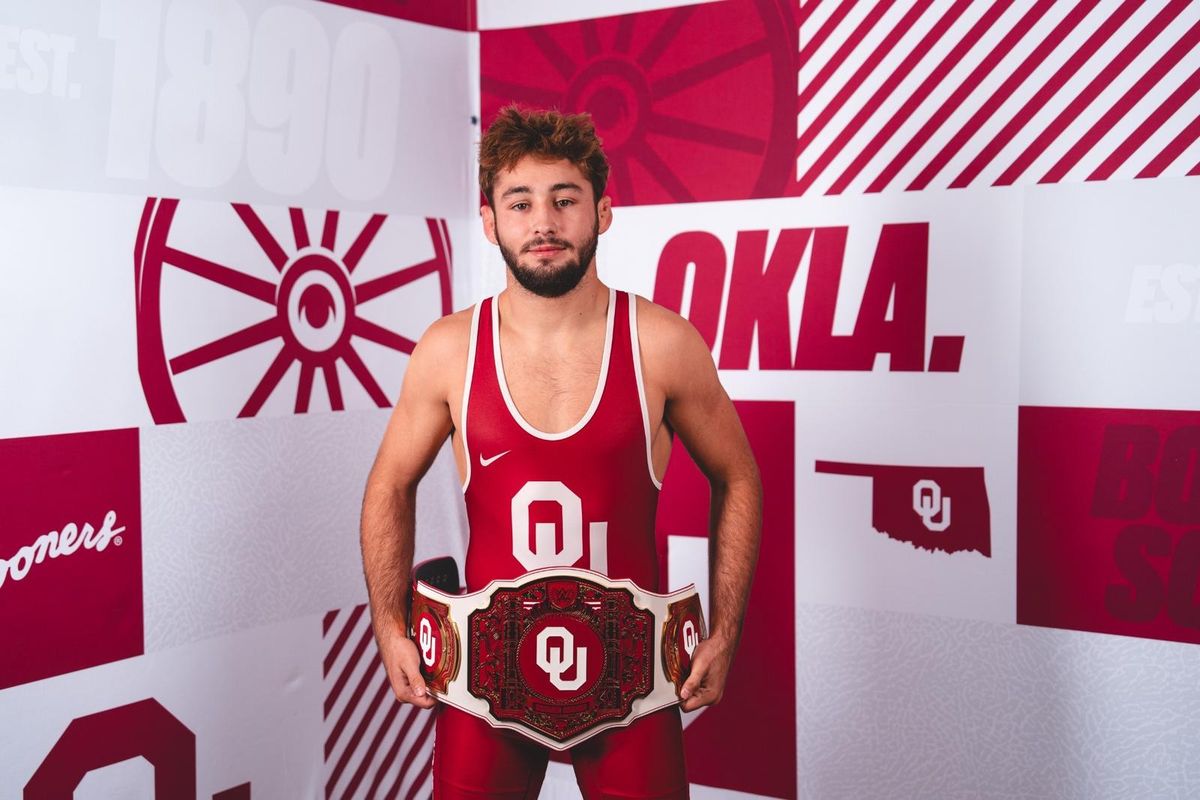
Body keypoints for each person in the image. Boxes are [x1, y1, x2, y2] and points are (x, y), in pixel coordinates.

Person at [359, 106, 762, 800]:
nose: (543, 222)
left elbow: (739, 477)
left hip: (632, 686)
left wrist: (725, 633)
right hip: (483, 683)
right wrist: (389, 627)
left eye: (564, 200)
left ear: (602, 212)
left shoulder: (662, 342)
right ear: (490, 222)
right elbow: (389, 484)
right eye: (520, 203)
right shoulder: (449, 350)